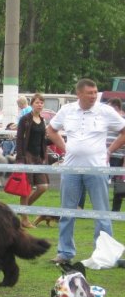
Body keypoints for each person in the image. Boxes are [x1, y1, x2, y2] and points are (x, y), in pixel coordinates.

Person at [46, 78, 125, 265]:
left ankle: (105, 255)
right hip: (71, 168)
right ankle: (64, 253)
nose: (94, 95)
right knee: (67, 212)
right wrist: (65, 148)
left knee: (102, 212)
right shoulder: (67, 110)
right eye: (90, 93)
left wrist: (110, 150)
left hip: (97, 168)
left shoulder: (105, 111)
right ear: (79, 94)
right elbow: (51, 130)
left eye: (95, 92)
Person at [15, 93, 49, 228]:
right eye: (37, 102)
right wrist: (20, 157)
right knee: (26, 188)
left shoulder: (42, 120)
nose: (39, 105)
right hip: (26, 156)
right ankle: (24, 219)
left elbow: (43, 140)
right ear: (32, 104)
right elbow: (18, 138)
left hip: (38, 157)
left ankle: (23, 210)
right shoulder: (25, 119)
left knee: (43, 187)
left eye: (41, 103)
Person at [107, 98, 125, 212]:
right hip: (104, 157)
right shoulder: (107, 120)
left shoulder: (122, 121)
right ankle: (102, 209)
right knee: (102, 183)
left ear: (116, 108)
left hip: (118, 156)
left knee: (119, 186)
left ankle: (115, 211)